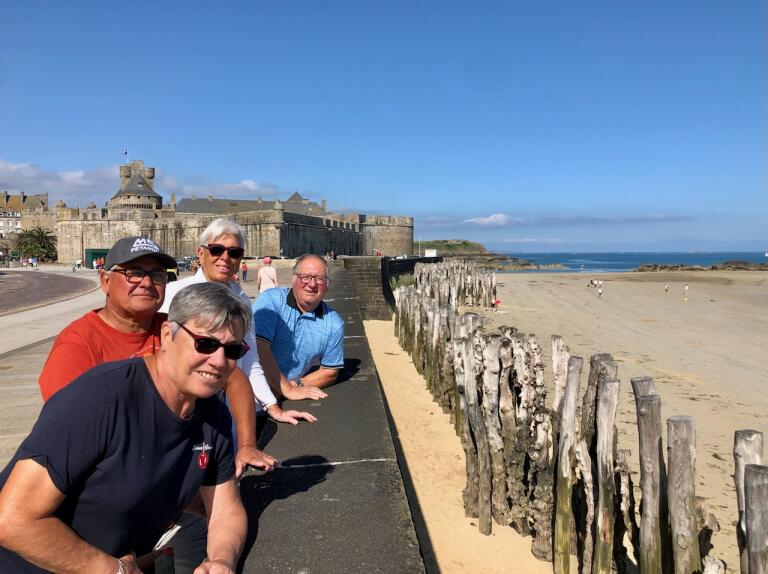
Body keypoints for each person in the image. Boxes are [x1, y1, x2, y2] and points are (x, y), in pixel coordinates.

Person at [0, 282, 249, 573]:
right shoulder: (101, 398)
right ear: (167, 335)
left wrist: (220, 561)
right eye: (205, 343)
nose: (219, 361)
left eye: (232, 349)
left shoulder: (211, 415)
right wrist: (111, 569)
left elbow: (225, 508)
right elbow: (11, 520)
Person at [38, 236, 275, 477]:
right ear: (105, 281)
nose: (147, 282)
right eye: (134, 272)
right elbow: (71, 431)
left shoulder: (179, 330)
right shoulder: (77, 343)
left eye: (158, 274)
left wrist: (246, 446)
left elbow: (234, 378)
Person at [160, 219, 324, 424]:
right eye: (217, 249)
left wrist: (272, 406)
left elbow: (250, 359)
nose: (225, 258)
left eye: (234, 252)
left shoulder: (242, 301)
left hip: (224, 410)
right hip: (178, 409)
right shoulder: (173, 294)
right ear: (201, 254)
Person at [254, 254, 345, 397]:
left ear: (327, 285)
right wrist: (287, 389)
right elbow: (258, 347)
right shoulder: (270, 300)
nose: (312, 284)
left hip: (281, 395)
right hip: (248, 390)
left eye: (320, 278)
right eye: (305, 277)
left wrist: (294, 385)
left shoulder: (334, 324)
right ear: (294, 278)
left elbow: (329, 372)